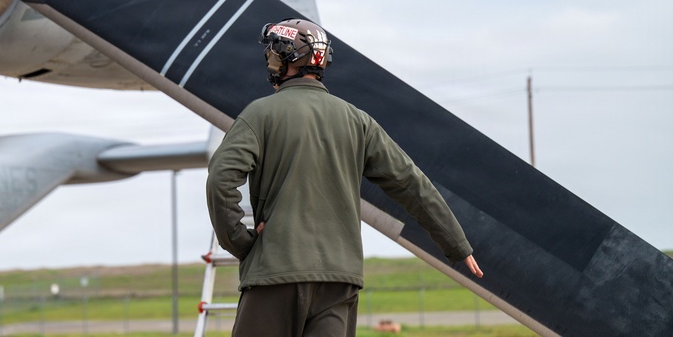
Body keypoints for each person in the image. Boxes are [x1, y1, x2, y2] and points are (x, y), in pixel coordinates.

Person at [206, 18, 483, 337]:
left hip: (274, 274)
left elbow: (221, 178)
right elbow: (411, 183)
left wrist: (241, 242)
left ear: (287, 60)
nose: (269, 63)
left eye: (272, 55)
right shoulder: (359, 122)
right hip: (338, 282)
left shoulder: (258, 115)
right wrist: (457, 244)